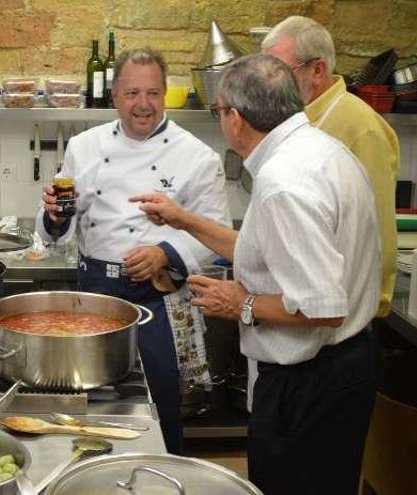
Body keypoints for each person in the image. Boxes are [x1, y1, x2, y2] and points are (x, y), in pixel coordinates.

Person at [132, 54, 380, 495]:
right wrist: (182, 219)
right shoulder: (321, 150)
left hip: (309, 383)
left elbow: (323, 309)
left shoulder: (284, 183)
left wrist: (240, 304)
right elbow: (262, 250)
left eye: (218, 110)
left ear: (235, 117)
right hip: (342, 369)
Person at [36, 48, 230, 454]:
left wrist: (165, 252)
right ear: (114, 96)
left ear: (164, 95)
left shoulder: (196, 156)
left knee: (158, 403)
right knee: (88, 402)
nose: (144, 105)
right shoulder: (84, 147)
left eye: (154, 94)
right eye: (132, 93)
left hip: (155, 300)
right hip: (92, 295)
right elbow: (59, 220)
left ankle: (163, 473)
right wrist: (54, 215)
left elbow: (217, 234)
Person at [262, 15, 398, 318]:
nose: (270, 86)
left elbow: (379, 239)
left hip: (345, 317)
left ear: (318, 70)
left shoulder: (361, 127)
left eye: (280, 72)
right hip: (307, 306)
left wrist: (365, 312)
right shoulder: (299, 119)